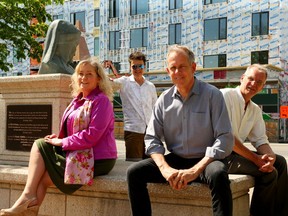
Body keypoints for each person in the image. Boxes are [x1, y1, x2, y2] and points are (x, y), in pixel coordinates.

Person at [0, 57, 117, 216]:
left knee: (43, 176)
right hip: (78, 151)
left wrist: (61, 142)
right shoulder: (77, 100)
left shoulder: (101, 101)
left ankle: (26, 205)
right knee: (41, 144)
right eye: (80, 74)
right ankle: (28, 204)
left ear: (98, 78)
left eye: (89, 74)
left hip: (98, 157)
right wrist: (59, 138)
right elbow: (72, 128)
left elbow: (92, 135)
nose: (83, 78)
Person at [127, 45, 234, 216]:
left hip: (207, 160)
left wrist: (195, 171)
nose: (177, 72)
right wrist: (164, 169)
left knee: (219, 175)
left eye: (182, 67)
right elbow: (152, 138)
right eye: (173, 68)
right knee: (134, 172)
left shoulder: (213, 95)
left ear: (193, 67)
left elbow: (225, 138)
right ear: (167, 71)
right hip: (177, 160)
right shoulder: (164, 100)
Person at [220, 64, 288, 216]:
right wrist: (256, 159)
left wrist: (269, 157)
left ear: (262, 86)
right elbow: (227, 137)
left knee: (280, 162)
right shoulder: (224, 96)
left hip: (234, 155)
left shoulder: (255, 109)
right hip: (218, 155)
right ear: (242, 78)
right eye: (250, 79)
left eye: (259, 82)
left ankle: (282, 212)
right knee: (269, 174)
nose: (253, 84)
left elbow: (260, 140)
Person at [108, 52, 157, 161]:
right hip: (133, 131)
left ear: (145, 66)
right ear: (130, 67)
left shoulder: (150, 86)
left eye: (140, 66)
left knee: (151, 166)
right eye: (134, 66)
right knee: (133, 165)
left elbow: (155, 109)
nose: (137, 69)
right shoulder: (124, 82)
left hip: (150, 132)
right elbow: (108, 85)